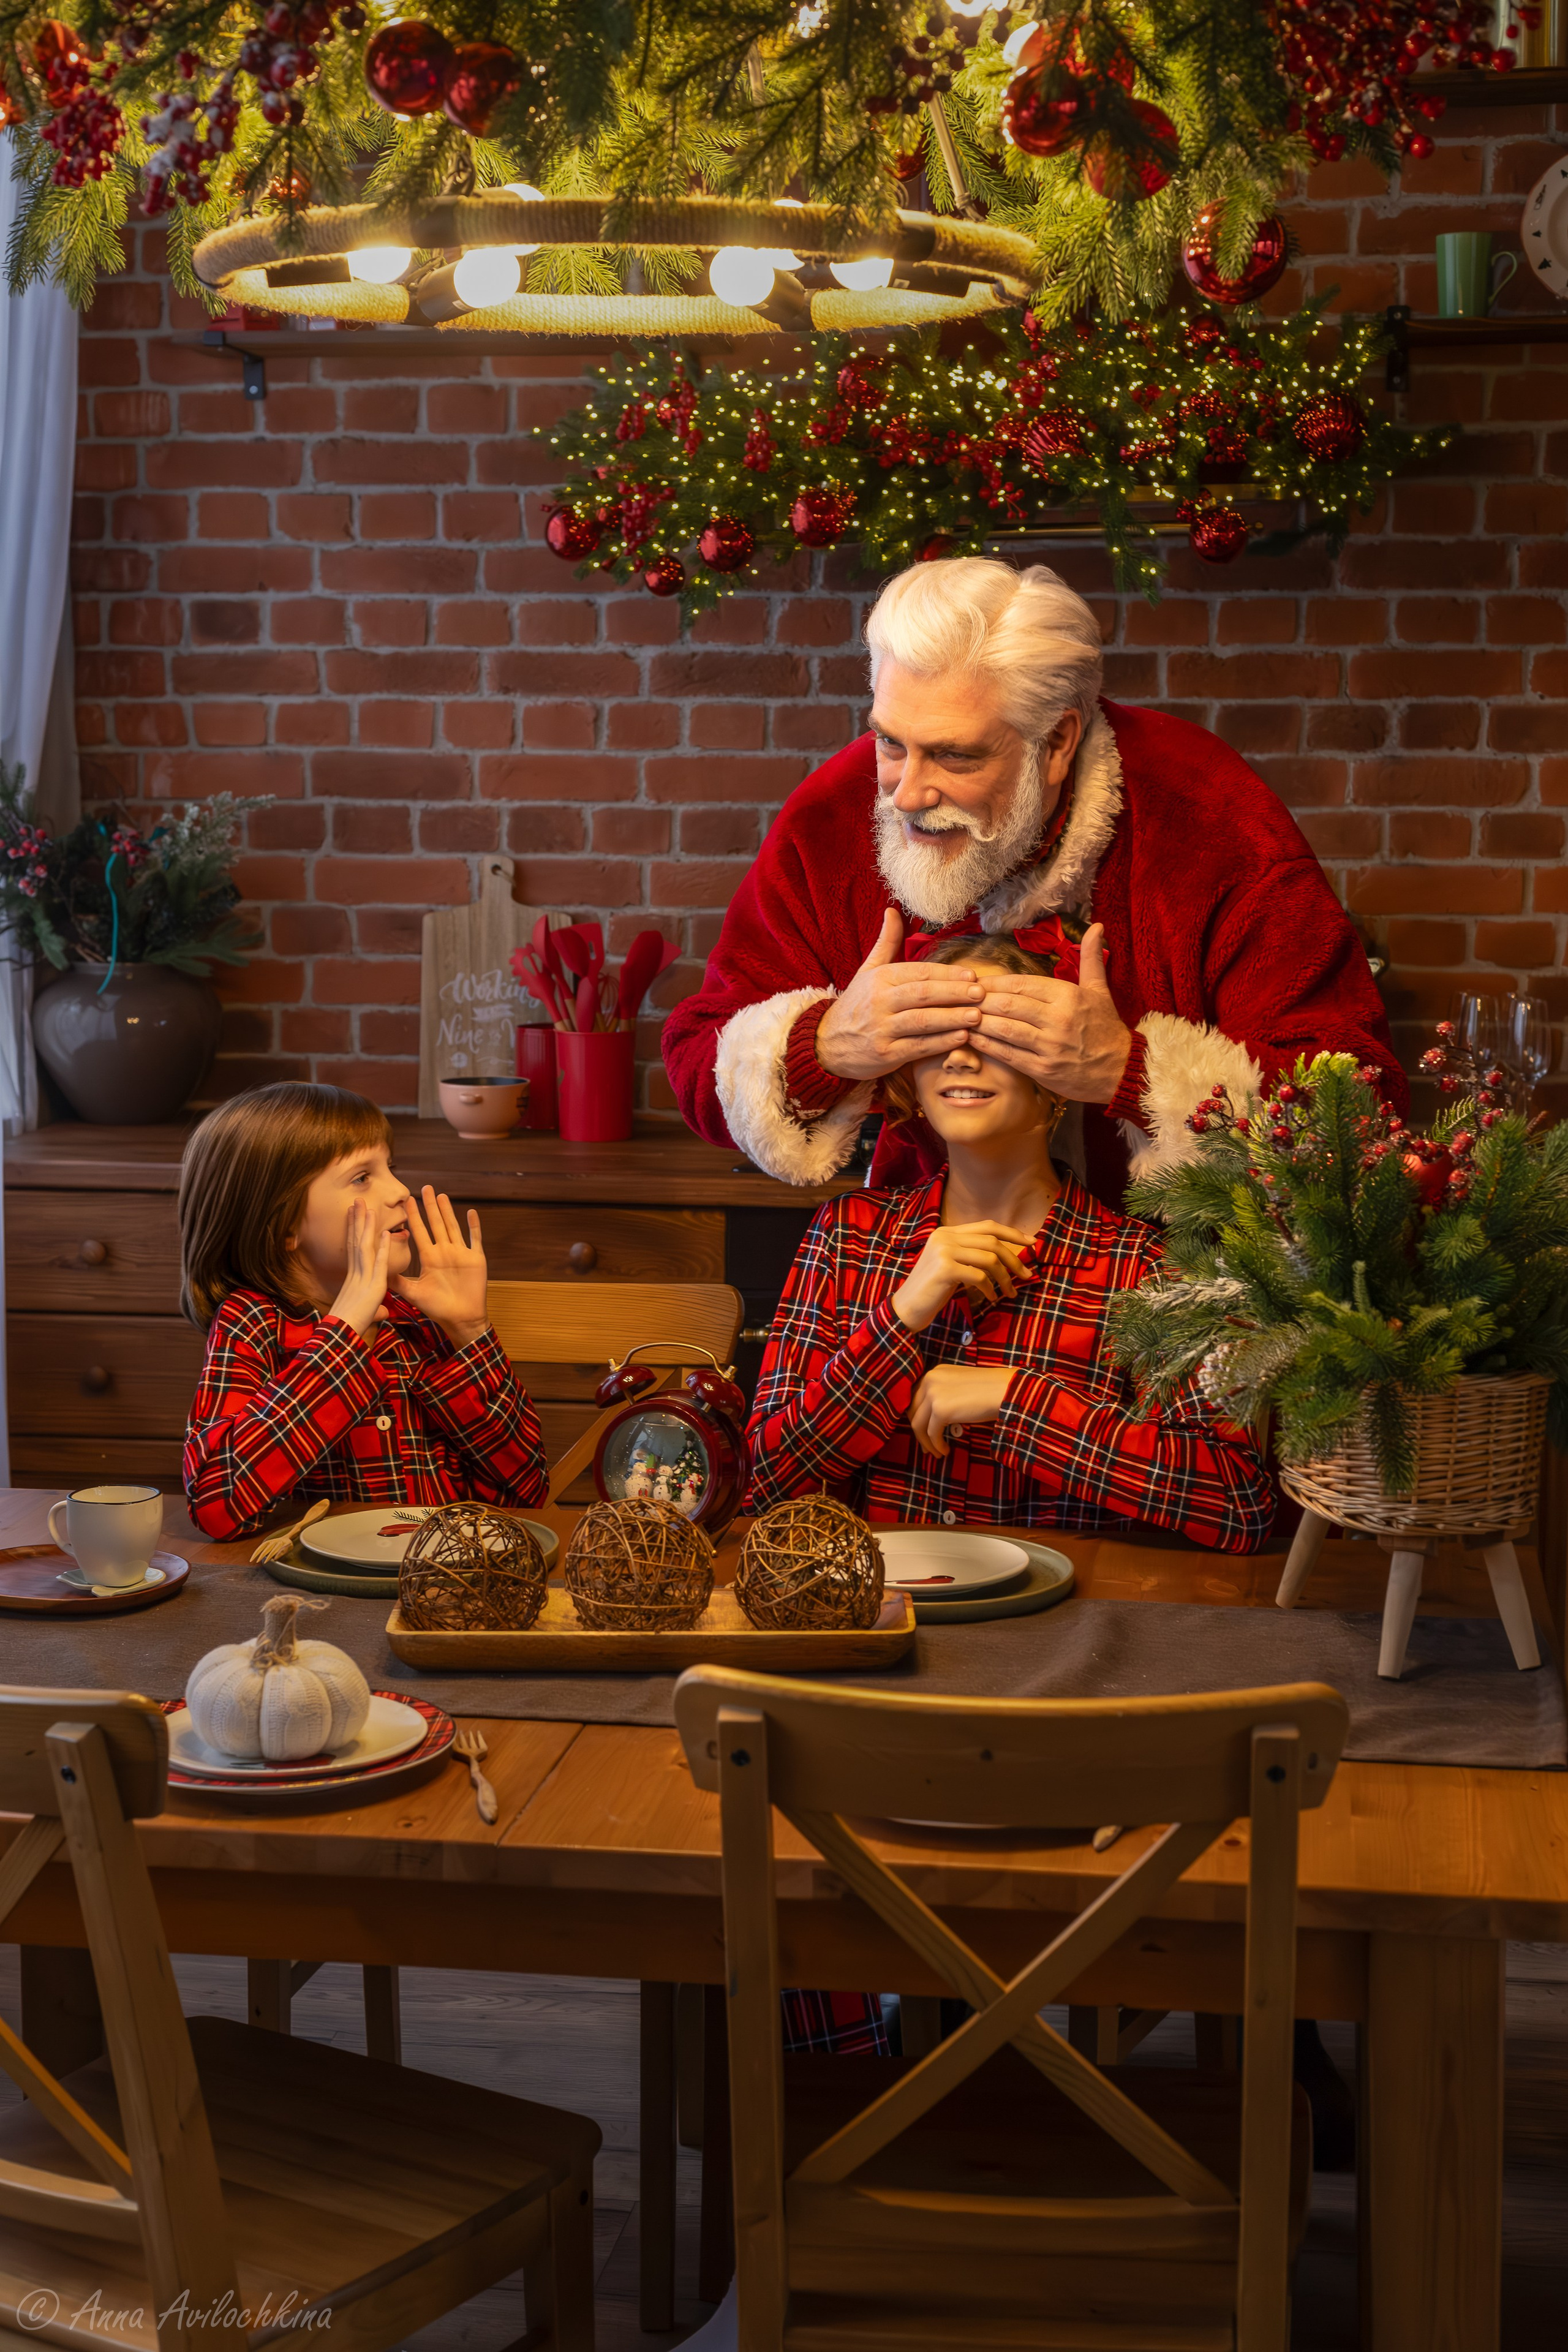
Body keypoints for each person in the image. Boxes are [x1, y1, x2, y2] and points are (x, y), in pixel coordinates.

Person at [663, 556, 1402, 1208]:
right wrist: (825, 1047)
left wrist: (1129, 1070)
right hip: (931, 1279)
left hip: (1179, 1298)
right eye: (891, 741)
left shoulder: (1212, 820)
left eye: (954, 755)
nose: (905, 794)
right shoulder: (831, 817)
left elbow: (1357, 1112)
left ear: (1057, 743)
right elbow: (701, 1063)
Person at [747, 935, 1273, 1548]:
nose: (961, 1059)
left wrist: (1016, 1402)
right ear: (908, 1078)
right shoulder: (848, 1236)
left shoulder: (1148, 1270)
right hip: (880, 1616)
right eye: (936, 1037)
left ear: (1056, 1077)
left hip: (1071, 1632)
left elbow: (1238, 1504)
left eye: (996, 1036)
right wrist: (900, 1320)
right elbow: (766, 1482)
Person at [181, 1082, 546, 1539]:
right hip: (321, 1600)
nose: (399, 1191)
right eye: (362, 1177)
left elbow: (526, 1492)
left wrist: (470, 1332)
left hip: (439, 1581)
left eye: (391, 1168)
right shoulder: (250, 1321)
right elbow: (216, 1505)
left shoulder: (416, 1318)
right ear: (283, 1225)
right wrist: (344, 1335)